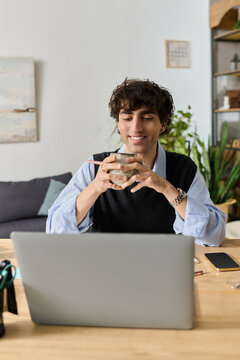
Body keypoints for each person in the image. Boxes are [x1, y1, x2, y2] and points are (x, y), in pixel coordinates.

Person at [47, 78, 226, 246]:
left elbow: (214, 235)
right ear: (118, 123)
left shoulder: (183, 168)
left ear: (163, 124)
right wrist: (94, 188)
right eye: (127, 118)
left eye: (147, 118)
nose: (136, 128)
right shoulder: (96, 166)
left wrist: (166, 188)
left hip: (165, 267)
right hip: (104, 267)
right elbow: (55, 230)